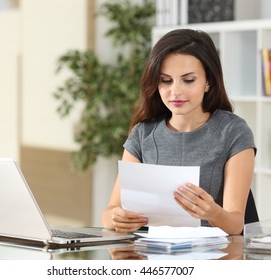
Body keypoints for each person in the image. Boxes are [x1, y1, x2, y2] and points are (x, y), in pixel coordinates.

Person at [101, 29, 256, 236]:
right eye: (166, 80)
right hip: (151, 255)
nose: (176, 91)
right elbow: (109, 212)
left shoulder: (233, 132)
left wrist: (213, 213)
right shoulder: (142, 133)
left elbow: (235, 224)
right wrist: (116, 217)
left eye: (188, 80)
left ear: (208, 81)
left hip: (212, 256)